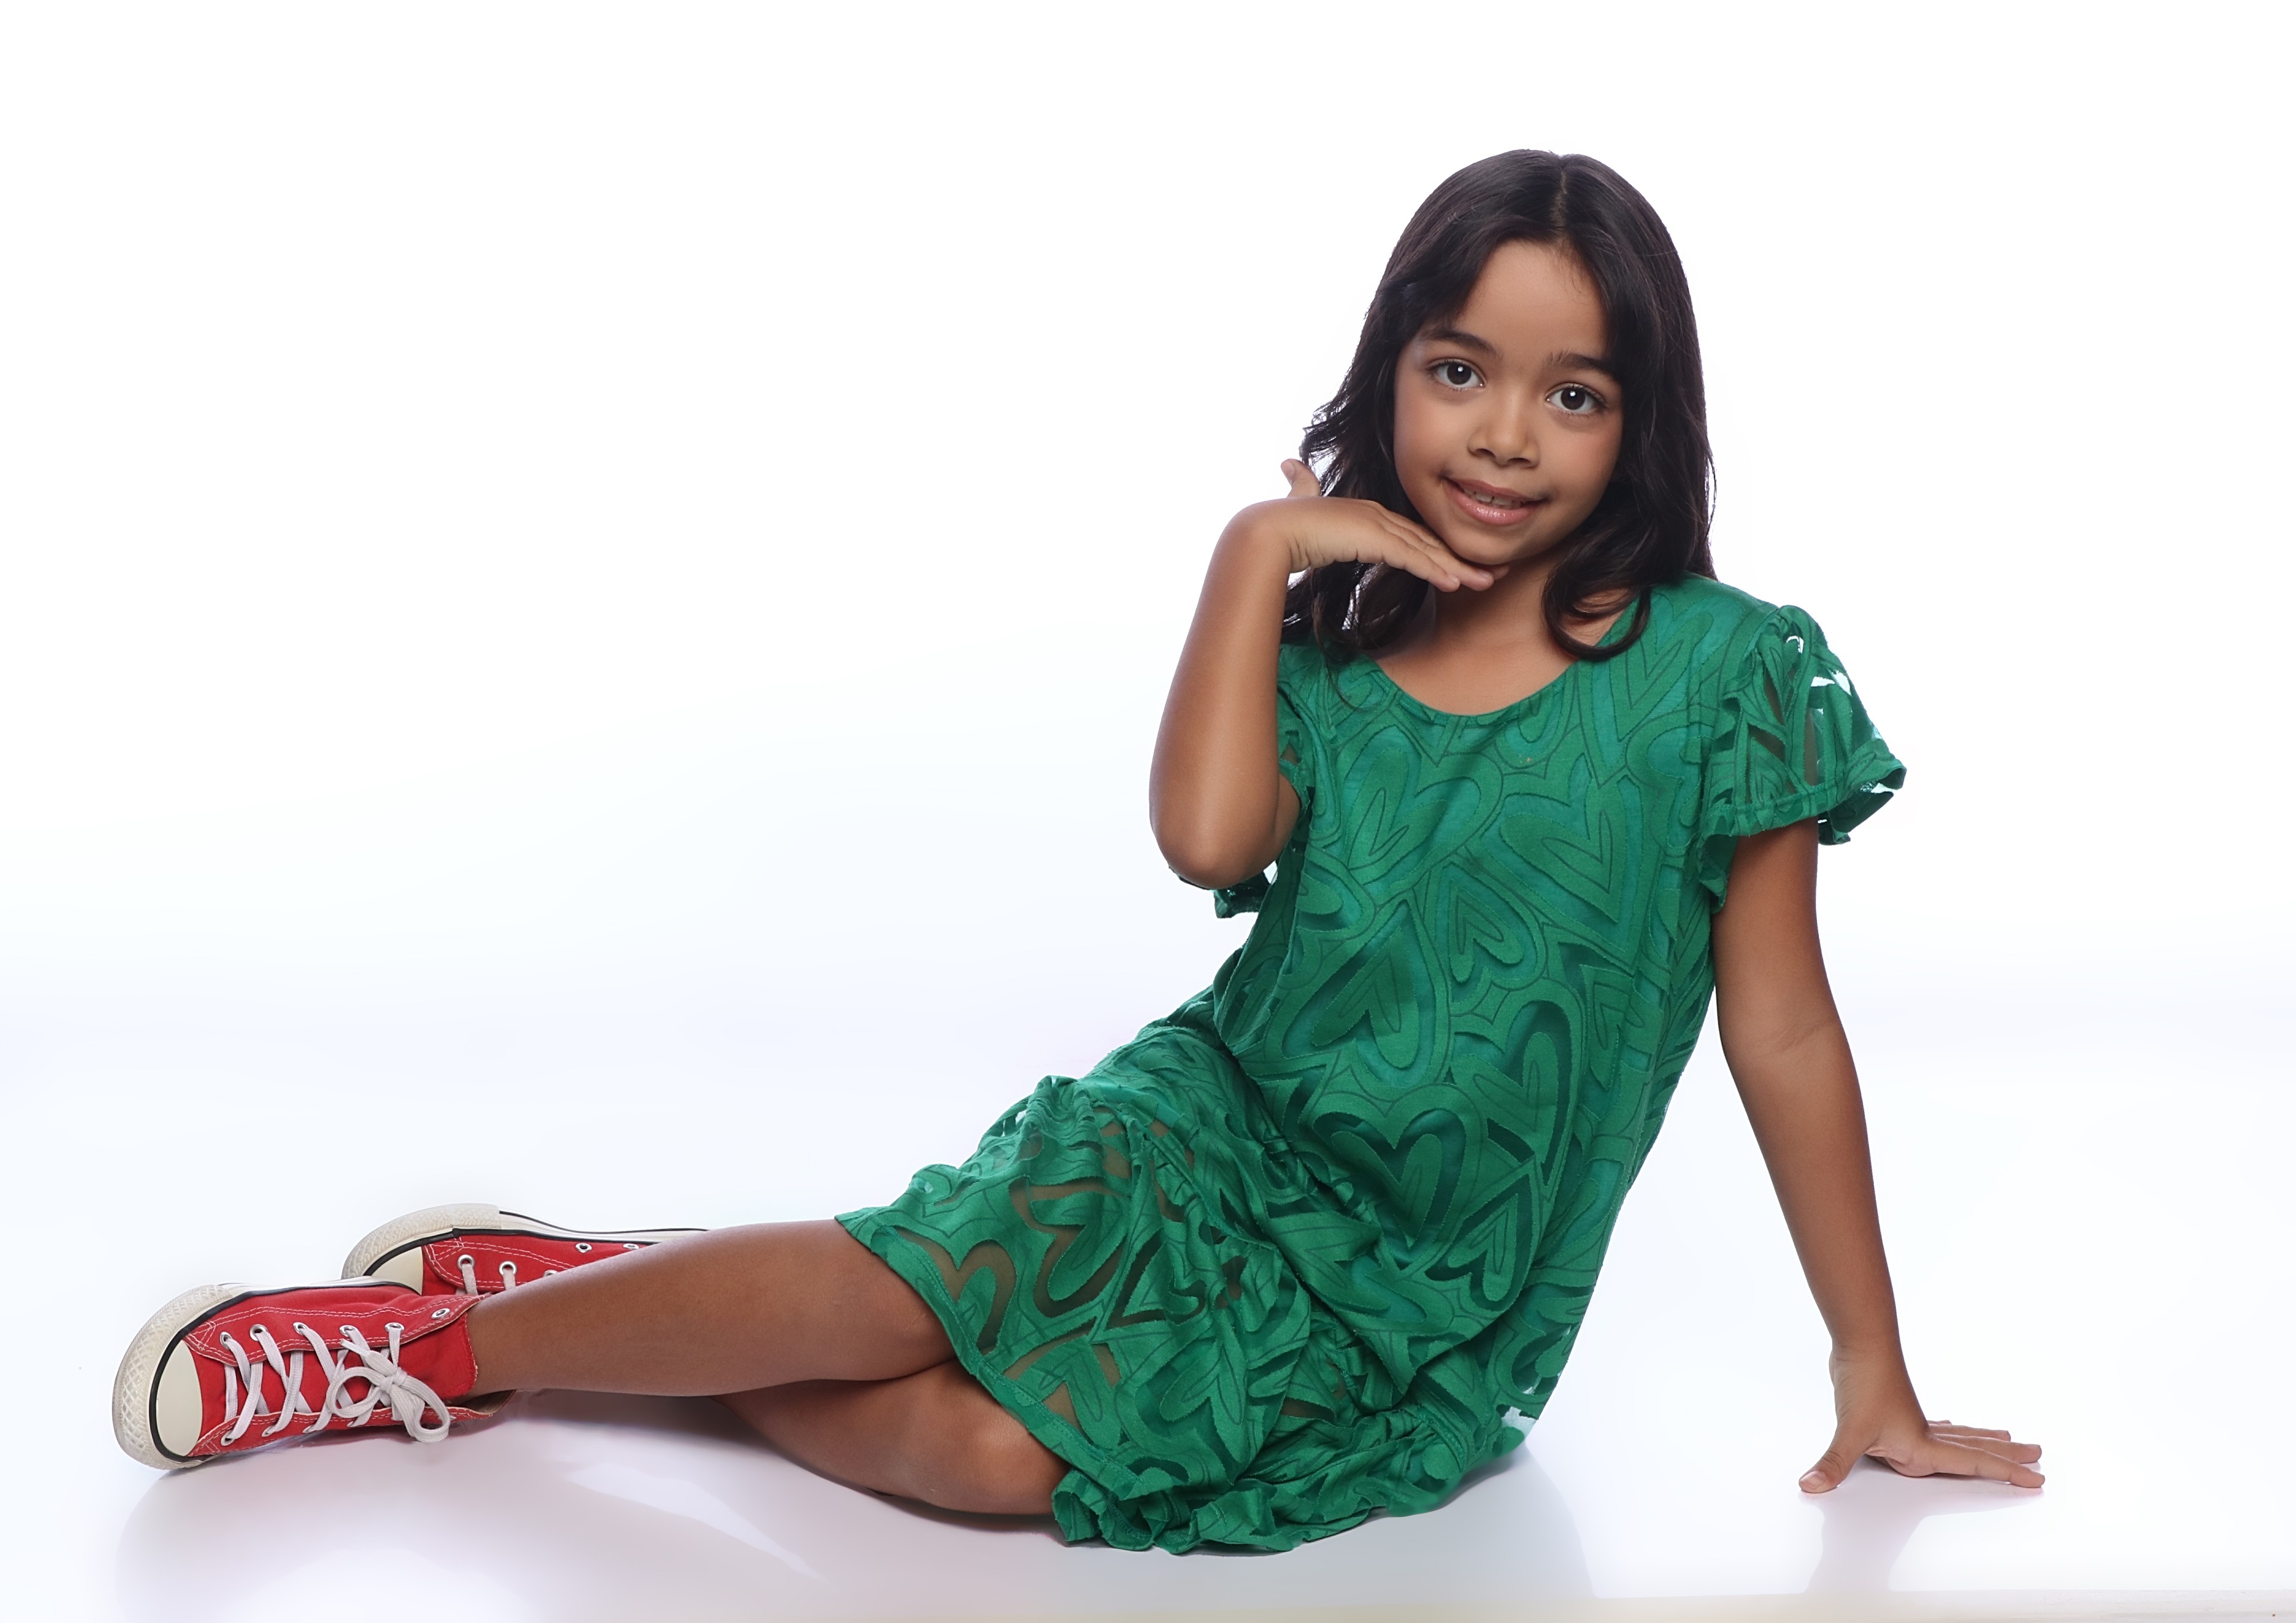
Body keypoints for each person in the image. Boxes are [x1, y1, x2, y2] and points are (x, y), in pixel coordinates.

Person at [110, 150, 2042, 1554]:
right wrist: (1255, 554)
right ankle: (426, 1349)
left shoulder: (1725, 675)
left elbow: (1783, 1026)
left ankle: (635, 1303)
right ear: (1390, 370)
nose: (1507, 434)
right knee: (897, 1303)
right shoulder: (1338, 657)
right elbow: (1203, 837)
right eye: (1460, 369)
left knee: (995, 1463)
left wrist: (1866, 1363)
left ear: (1643, 420)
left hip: (1427, 1293)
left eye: (1575, 392)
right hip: (1203, 1139)